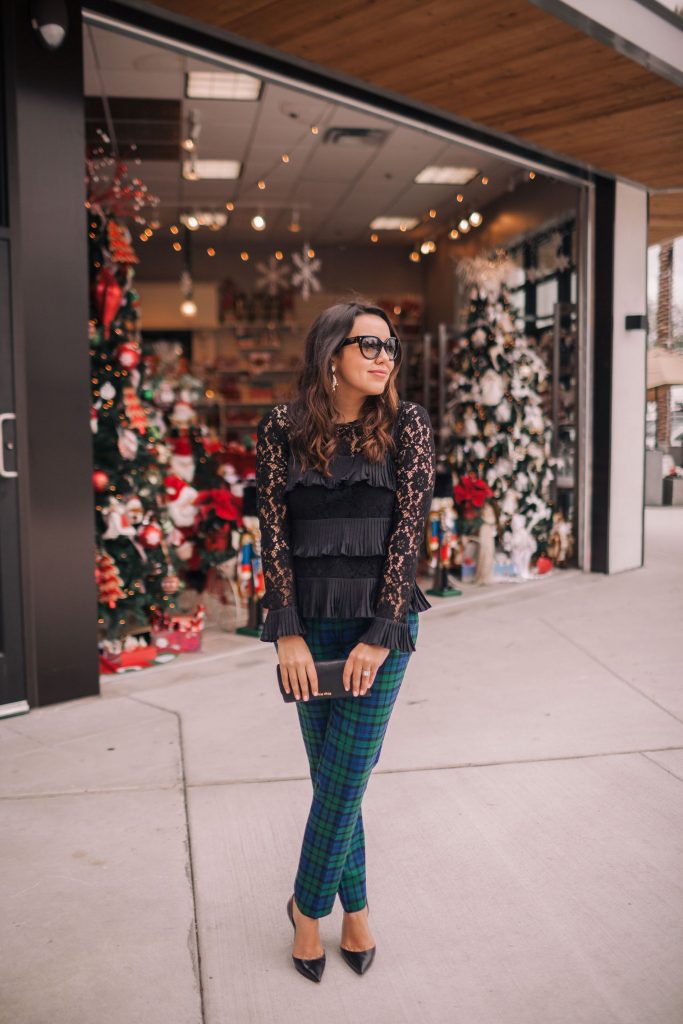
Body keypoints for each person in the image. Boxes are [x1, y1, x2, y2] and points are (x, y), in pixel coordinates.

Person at [255, 299, 436, 982]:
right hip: (310, 629)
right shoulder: (280, 427)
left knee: (344, 776)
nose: (384, 356)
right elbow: (272, 536)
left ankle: (305, 911)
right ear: (331, 353)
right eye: (368, 345)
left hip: (380, 630)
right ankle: (354, 909)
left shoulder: (407, 425)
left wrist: (380, 635)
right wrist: (287, 637)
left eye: (390, 345)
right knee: (334, 779)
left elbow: (407, 533)